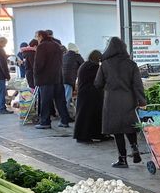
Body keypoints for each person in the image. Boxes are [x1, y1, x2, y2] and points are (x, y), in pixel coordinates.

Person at [95, 37, 146, 168]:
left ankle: (122, 159)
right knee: (130, 126)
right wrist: (142, 101)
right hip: (129, 100)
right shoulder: (131, 64)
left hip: (112, 100)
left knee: (117, 130)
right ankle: (134, 149)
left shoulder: (105, 64)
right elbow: (138, 85)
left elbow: (98, 83)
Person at [33, 30, 72, 129]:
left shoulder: (42, 47)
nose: (36, 39)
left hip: (46, 79)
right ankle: (64, 120)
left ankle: (45, 122)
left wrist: (36, 76)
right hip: (58, 78)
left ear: (41, 36)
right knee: (60, 100)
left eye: (37, 37)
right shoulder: (56, 45)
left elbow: (39, 64)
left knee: (45, 101)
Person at [74, 50, 108, 143]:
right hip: (90, 95)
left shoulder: (85, 65)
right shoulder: (93, 67)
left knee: (89, 116)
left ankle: (93, 134)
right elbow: (100, 80)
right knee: (88, 117)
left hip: (86, 94)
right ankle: (84, 136)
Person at [62, 43, 84, 107]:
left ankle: (64, 113)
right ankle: (65, 115)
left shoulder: (64, 56)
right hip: (70, 80)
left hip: (61, 79)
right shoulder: (77, 56)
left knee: (64, 97)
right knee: (67, 98)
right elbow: (84, 66)